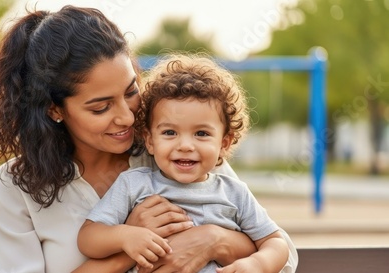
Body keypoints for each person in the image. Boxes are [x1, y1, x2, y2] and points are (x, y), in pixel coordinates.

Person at [0, 5, 298, 273]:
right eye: (101, 107)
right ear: (54, 109)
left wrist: (212, 238)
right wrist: (133, 242)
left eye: (131, 91)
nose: (128, 116)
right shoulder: (17, 186)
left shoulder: (171, 150)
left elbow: (284, 258)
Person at [78, 55, 290, 273]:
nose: (186, 145)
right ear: (150, 141)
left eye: (201, 133)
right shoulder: (134, 184)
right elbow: (88, 238)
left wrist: (256, 263)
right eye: (170, 132)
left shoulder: (235, 193)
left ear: (224, 143)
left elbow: (276, 243)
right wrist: (125, 236)